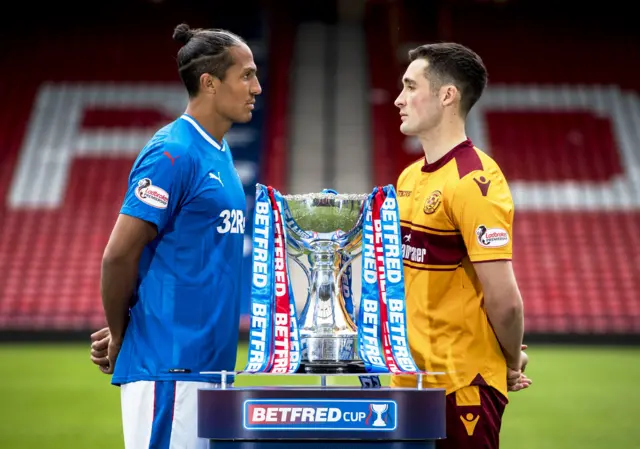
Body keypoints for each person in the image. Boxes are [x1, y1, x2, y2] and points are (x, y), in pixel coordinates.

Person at [89, 22, 262, 449]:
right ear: (209, 83)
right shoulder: (173, 152)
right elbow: (117, 256)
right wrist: (121, 333)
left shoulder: (218, 152)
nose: (256, 87)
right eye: (245, 75)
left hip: (211, 369)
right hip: (170, 372)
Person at [391, 42, 531, 448]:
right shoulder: (409, 178)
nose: (399, 99)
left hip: (460, 386)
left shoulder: (476, 182)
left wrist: (507, 362)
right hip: (408, 382)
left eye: (410, 86)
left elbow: (505, 302)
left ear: (447, 95)